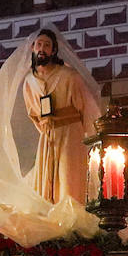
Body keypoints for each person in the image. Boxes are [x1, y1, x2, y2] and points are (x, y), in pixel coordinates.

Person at [22, 29, 101, 204]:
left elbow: (87, 108)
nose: (42, 49)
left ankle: (71, 221)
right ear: (33, 48)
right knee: (45, 184)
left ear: (54, 51)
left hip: (71, 135)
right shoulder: (29, 81)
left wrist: (92, 139)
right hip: (47, 137)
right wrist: (48, 127)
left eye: (47, 45)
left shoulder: (69, 76)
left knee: (68, 180)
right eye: (39, 45)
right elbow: (33, 114)